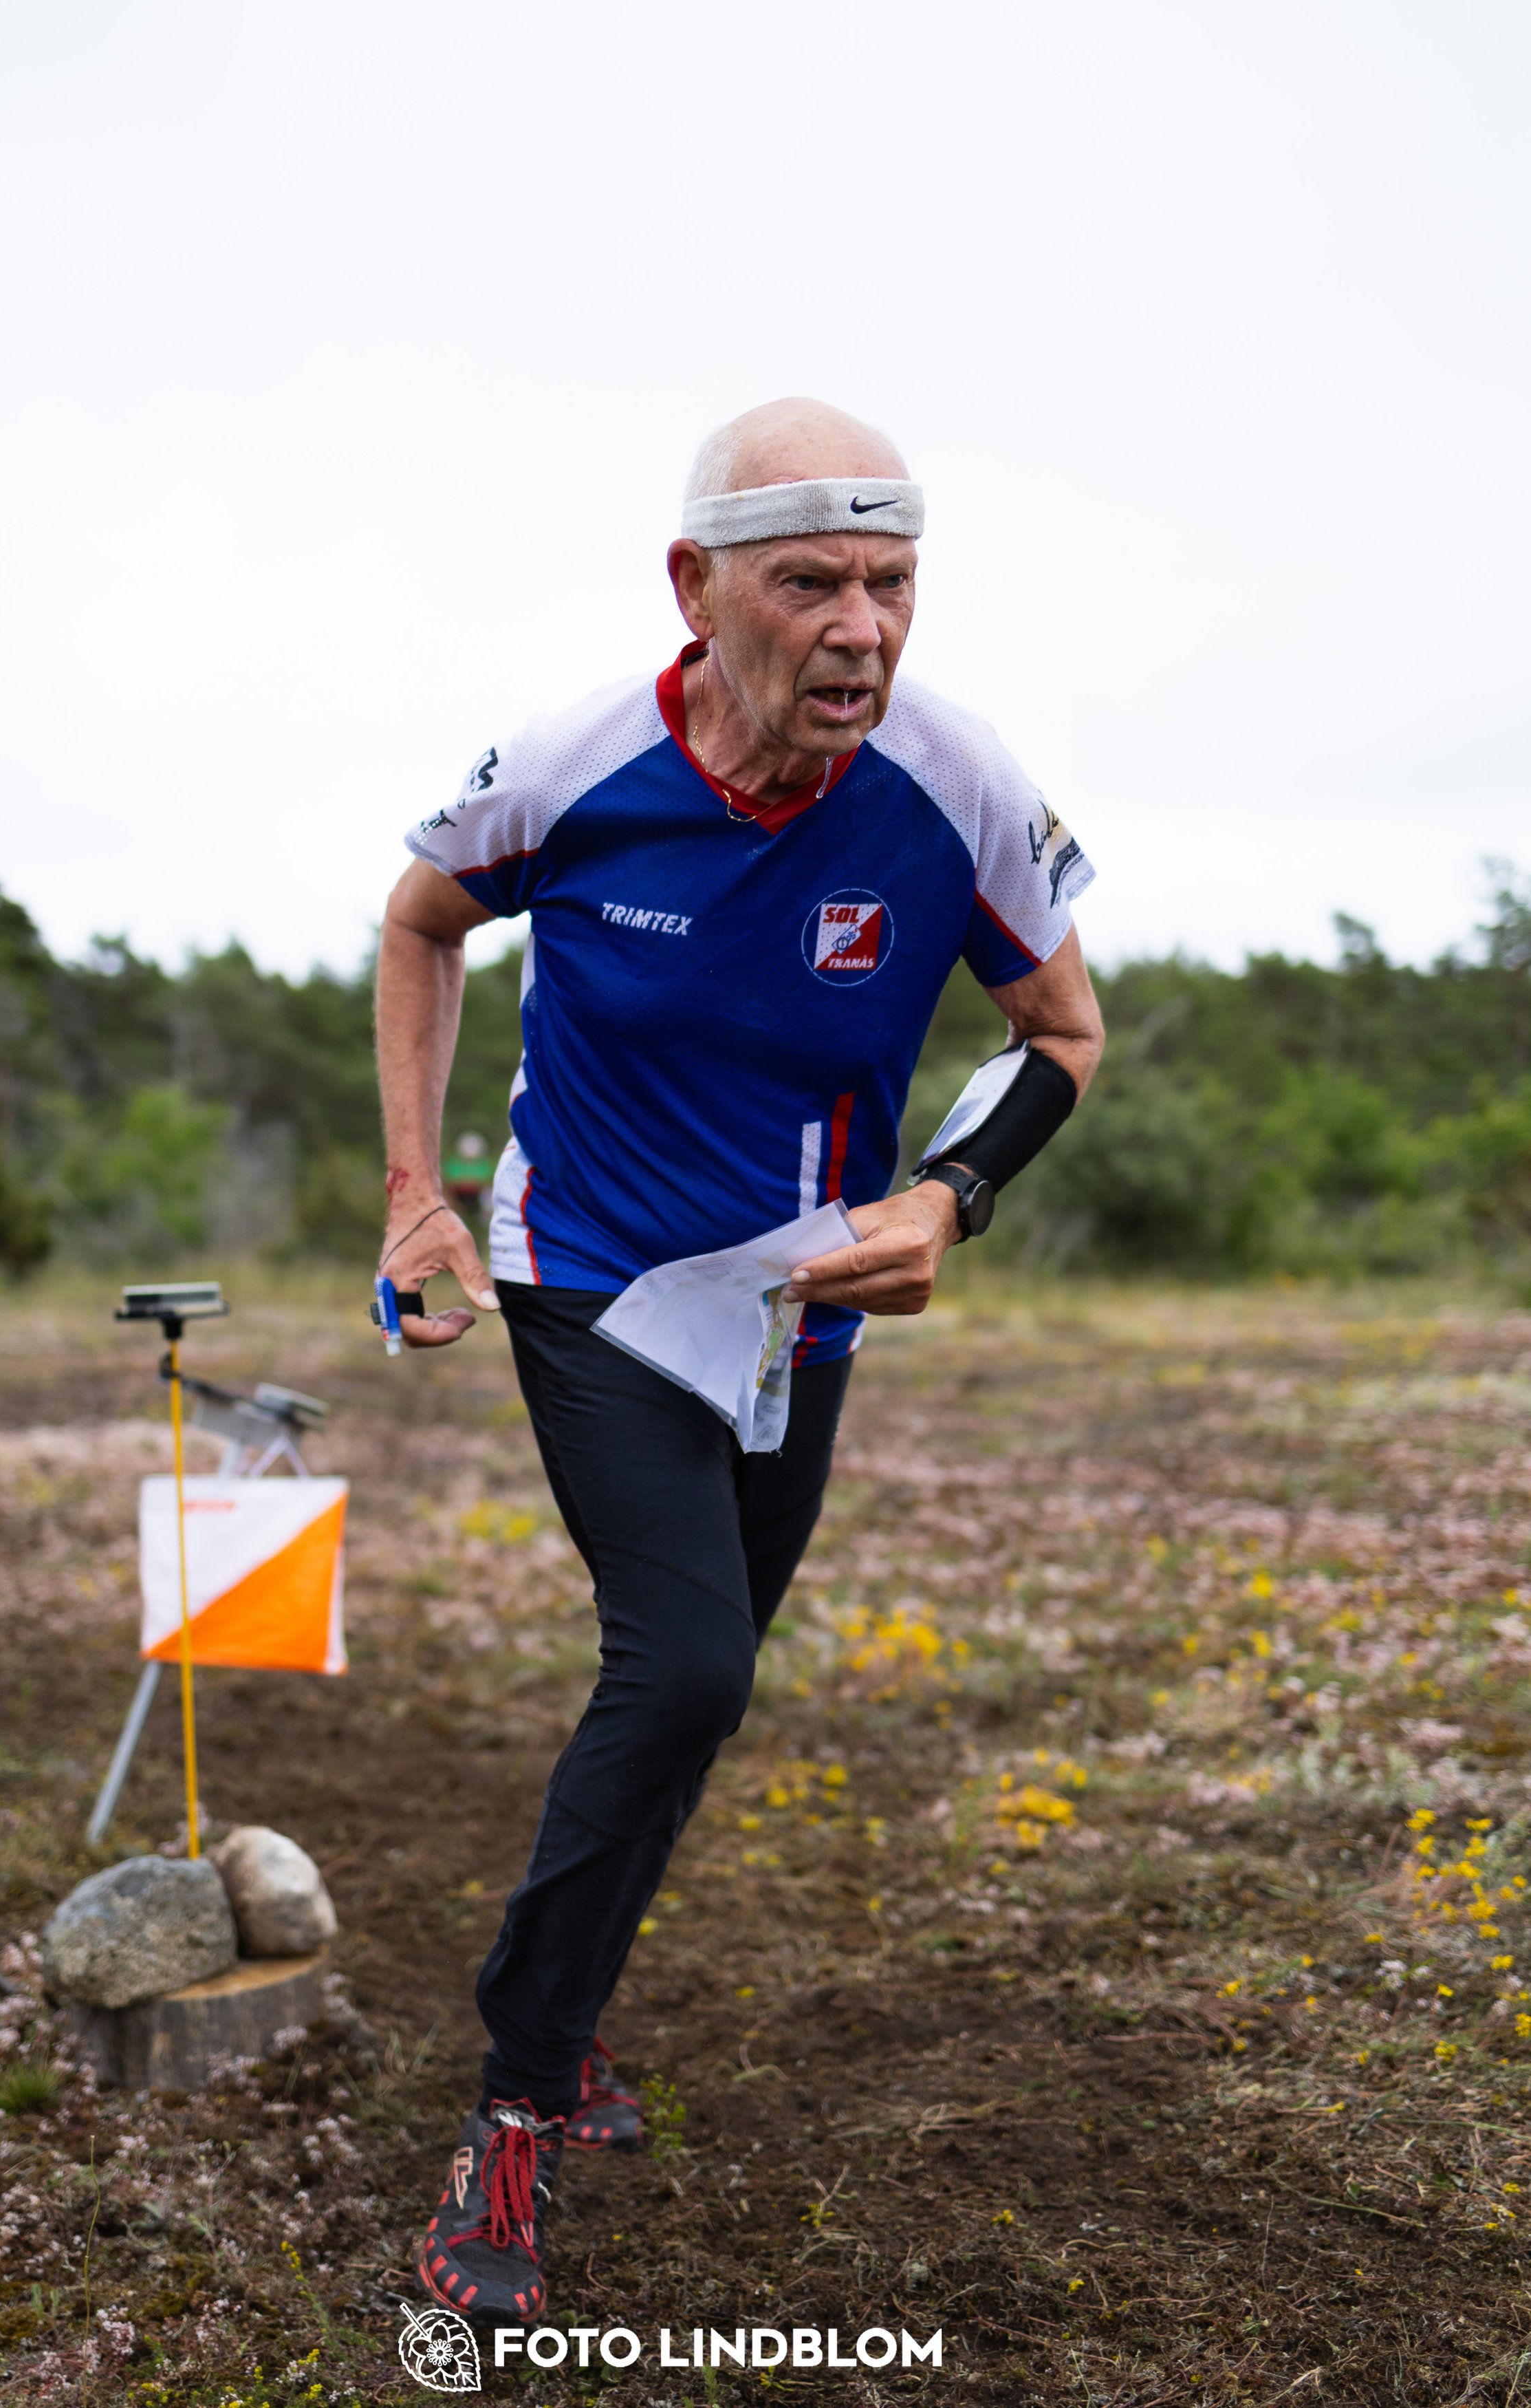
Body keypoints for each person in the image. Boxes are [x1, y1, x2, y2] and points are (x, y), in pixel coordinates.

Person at [374, 397, 1105, 2323]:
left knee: (712, 1683)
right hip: (592, 1269)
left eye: (891, 581)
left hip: (798, 1299)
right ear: (696, 590)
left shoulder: (952, 781)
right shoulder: (572, 764)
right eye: (812, 583)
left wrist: (948, 1195)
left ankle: (576, 2022)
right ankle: (513, 2108)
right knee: (681, 1657)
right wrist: (412, 1198)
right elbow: (420, 918)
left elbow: (1060, 1031)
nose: (862, 627)